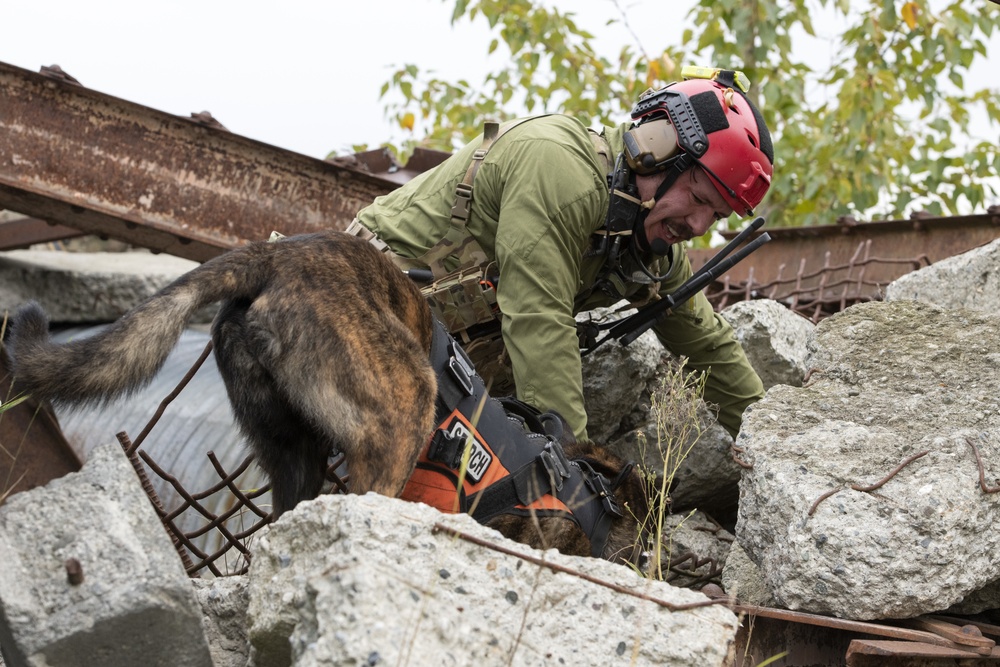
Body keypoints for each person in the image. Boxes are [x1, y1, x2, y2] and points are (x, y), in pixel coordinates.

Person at [348, 68, 773, 443]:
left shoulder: (650, 244)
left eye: (716, 216)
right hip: (352, 320)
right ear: (654, 150)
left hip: (427, 371)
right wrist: (572, 468)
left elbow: (708, 347)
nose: (699, 227)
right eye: (698, 198)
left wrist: (773, 444)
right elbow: (540, 322)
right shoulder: (559, 168)